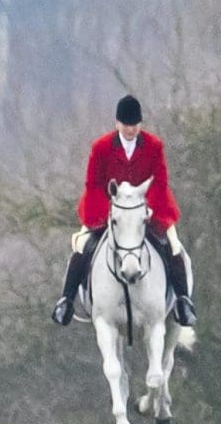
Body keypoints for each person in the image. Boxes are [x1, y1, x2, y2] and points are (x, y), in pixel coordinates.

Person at [51, 94, 196, 327]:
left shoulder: (154, 145)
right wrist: (106, 212)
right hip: (109, 211)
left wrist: (150, 210)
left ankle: (182, 301)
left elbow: (160, 182)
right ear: (117, 123)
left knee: (173, 244)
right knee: (82, 245)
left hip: (146, 210)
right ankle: (66, 301)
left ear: (140, 124)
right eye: (126, 125)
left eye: (135, 125)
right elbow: (93, 184)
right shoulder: (101, 147)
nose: (131, 129)